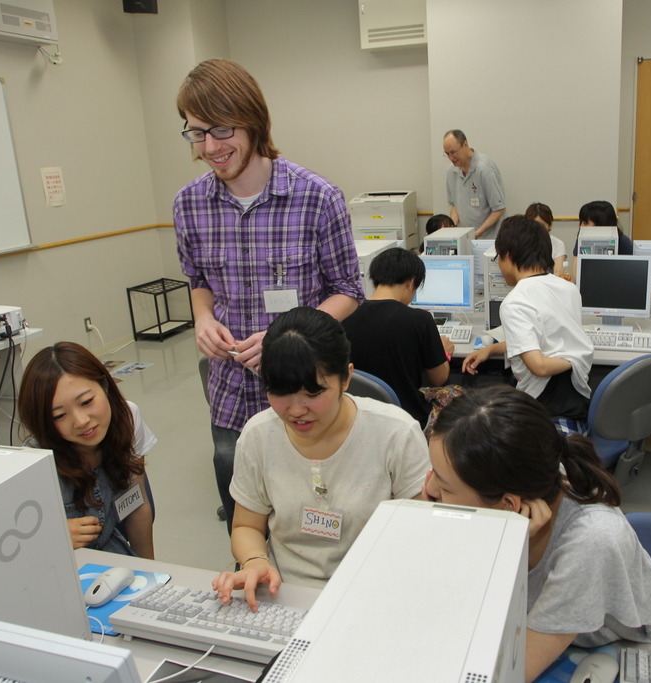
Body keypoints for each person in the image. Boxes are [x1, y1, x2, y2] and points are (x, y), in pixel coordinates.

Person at [173, 59, 364, 533]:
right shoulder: (189, 204)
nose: (210, 148)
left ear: (254, 122)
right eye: (196, 133)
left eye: (221, 130)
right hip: (230, 394)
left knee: (315, 518)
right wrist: (202, 318)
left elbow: (348, 291)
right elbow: (198, 280)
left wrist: (286, 337)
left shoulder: (317, 197)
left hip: (304, 391)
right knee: (244, 520)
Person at [424, 385, 651, 682]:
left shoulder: (590, 542)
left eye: (443, 485)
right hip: (560, 641)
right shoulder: (529, 478)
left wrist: (507, 553)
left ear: (509, 504)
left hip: (632, 661)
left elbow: (510, 674)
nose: (428, 490)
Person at [213, 307, 429, 608]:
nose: (296, 410)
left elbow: (420, 533)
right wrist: (255, 561)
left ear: (346, 378)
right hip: (283, 593)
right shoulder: (259, 435)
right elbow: (246, 526)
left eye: (313, 394)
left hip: (373, 593)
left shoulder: (396, 433)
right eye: (280, 391)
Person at [18, 342, 156, 558]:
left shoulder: (128, 417)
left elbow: (136, 506)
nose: (81, 421)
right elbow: (17, 546)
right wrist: (53, 535)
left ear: (105, 386)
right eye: (59, 416)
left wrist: (154, 575)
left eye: (86, 402)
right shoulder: (33, 461)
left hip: (111, 551)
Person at [462, 216, 593, 431]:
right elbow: (547, 340)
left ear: (509, 256)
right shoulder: (568, 289)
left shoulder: (515, 301)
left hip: (542, 407)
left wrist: (577, 355)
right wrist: (492, 349)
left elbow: (539, 366)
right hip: (576, 400)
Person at [342, 248, 454, 425]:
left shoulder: (345, 315)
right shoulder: (419, 320)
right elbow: (438, 378)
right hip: (407, 417)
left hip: (359, 416)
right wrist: (444, 352)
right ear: (411, 282)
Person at [443, 129, 506, 238]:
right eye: (447, 154)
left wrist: (477, 233)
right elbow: (454, 205)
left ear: (465, 144)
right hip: (467, 238)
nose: (451, 158)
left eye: (453, 152)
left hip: (490, 239)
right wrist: (451, 227)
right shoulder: (451, 171)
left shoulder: (484, 169)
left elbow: (499, 209)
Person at [525, 202, 567, 274]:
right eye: (533, 224)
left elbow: (558, 274)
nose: (537, 229)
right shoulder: (520, 243)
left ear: (550, 225)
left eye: (541, 225)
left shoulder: (557, 244)